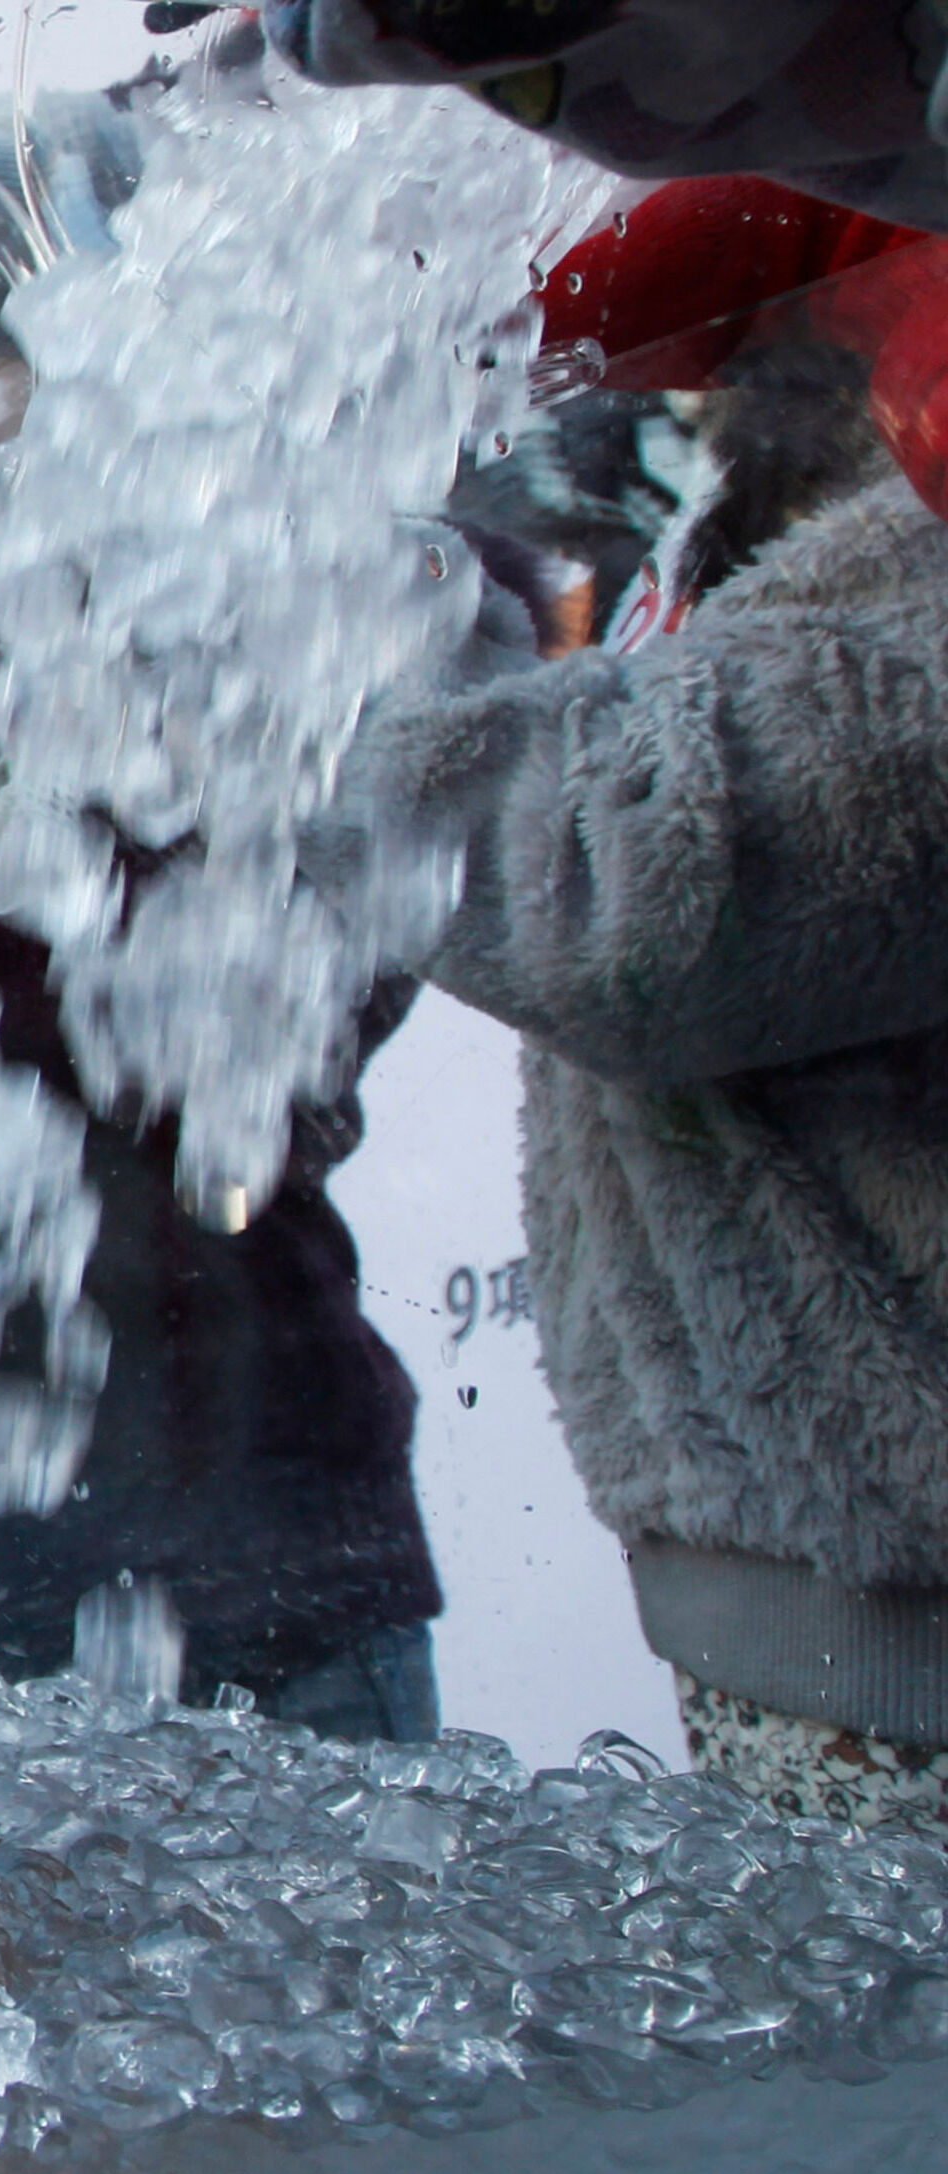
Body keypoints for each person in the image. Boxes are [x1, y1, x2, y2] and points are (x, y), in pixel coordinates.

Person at [336, 267, 948, 1828]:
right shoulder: (784, 452)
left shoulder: (914, 503)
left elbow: (611, 893)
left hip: (897, 1627)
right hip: (810, 1603)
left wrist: (255, 572)